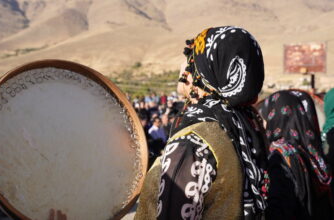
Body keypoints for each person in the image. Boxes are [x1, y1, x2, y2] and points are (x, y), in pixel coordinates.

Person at [135, 26, 268, 220]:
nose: (183, 66)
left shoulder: (193, 142)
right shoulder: (246, 126)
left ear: (203, 73)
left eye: (191, 57)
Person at [261, 90, 333, 219]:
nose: (264, 123)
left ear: (275, 116)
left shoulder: (280, 156)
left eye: (266, 117)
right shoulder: (313, 154)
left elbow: (279, 208)